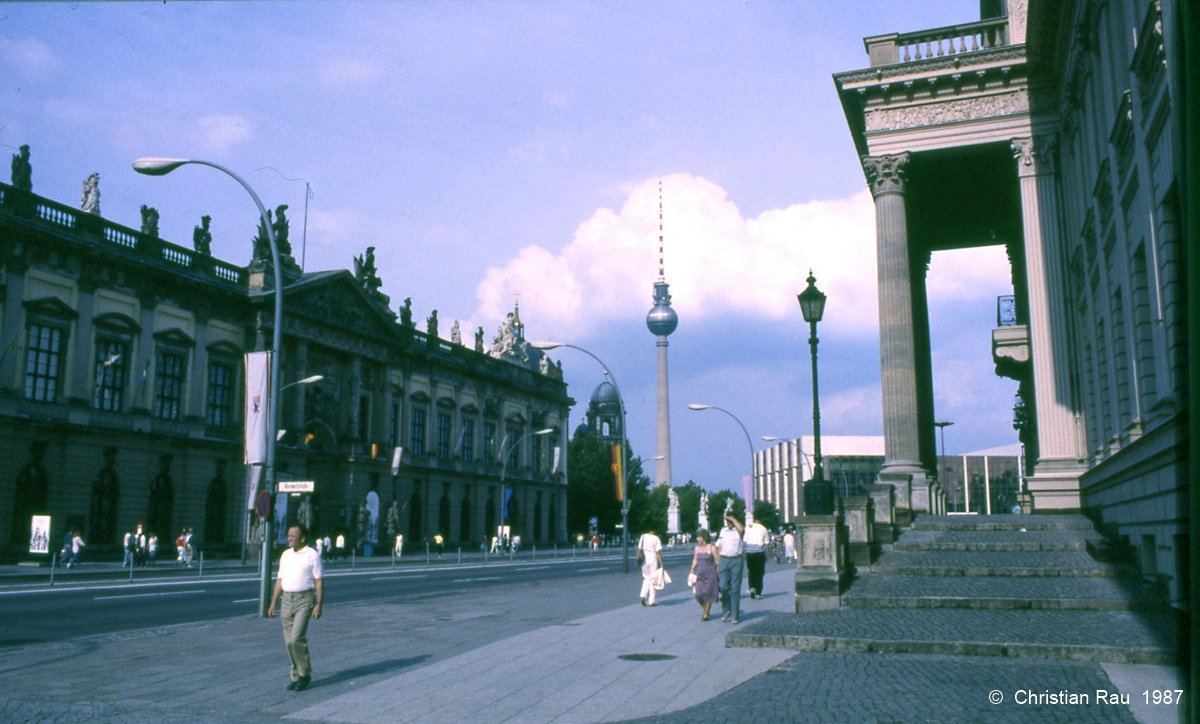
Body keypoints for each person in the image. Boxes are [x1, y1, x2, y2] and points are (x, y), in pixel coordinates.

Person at [268, 524, 324, 692]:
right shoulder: (285, 555)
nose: (289, 537)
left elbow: (319, 582)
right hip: (286, 599)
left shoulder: (312, 555)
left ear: (302, 538)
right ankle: (296, 675)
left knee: (296, 638)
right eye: (288, 534)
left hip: (304, 599)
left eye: (293, 535)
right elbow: (280, 580)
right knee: (288, 642)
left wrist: (319, 604)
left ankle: (305, 674)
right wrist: (273, 602)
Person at [716, 514, 745, 624]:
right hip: (724, 560)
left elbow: (741, 530)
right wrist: (718, 563)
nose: (728, 523)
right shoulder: (723, 531)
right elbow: (719, 547)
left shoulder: (738, 531)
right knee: (723, 587)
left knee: (734, 589)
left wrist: (733, 518)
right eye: (727, 520)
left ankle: (734, 615)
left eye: (730, 520)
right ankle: (726, 610)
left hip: (736, 561)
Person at [689, 529, 720, 621]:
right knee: (698, 594)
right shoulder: (697, 549)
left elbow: (717, 561)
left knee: (708, 594)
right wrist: (692, 569)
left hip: (710, 574)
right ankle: (705, 609)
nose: (697, 539)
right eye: (698, 537)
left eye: (699, 537)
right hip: (700, 574)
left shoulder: (712, 548)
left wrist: (717, 572)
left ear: (704, 538)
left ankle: (706, 613)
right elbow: (695, 560)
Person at [744, 514, 770, 599]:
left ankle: (752, 587)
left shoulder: (748, 527)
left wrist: (743, 552)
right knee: (759, 572)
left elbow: (744, 541)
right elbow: (766, 544)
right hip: (759, 553)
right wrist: (768, 555)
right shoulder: (763, 529)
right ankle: (758, 592)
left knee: (751, 571)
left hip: (749, 552)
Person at [637, 527, 664, 606]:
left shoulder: (643, 536)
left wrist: (638, 558)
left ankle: (643, 595)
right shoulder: (656, 538)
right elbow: (658, 552)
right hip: (653, 559)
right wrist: (661, 562)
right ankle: (651, 601)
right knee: (652, 579)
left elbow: (639, 548)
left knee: (646, 578)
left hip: (644, 559)